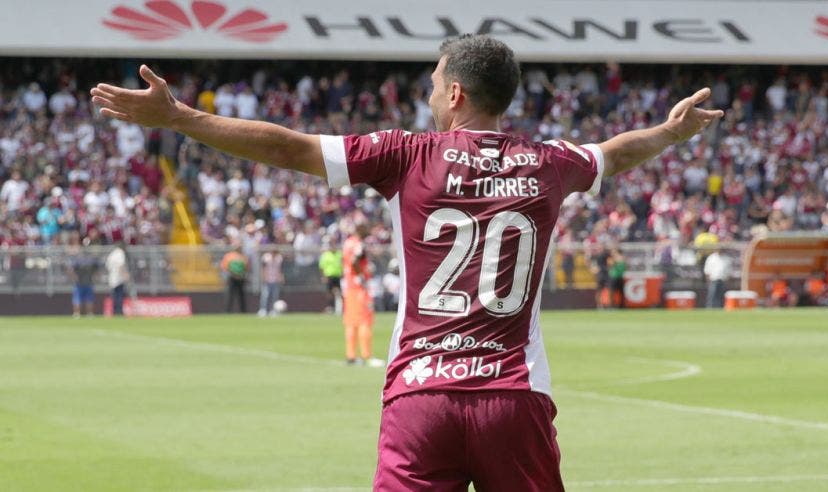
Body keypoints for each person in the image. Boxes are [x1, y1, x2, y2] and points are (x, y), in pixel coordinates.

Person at [90, 35, 721, 490]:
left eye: (430, 87)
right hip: (515, 395)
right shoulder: (553, 161)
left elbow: (289, 147)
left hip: (421, 397)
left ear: (454, 93)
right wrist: (670, 134)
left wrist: (178, 117)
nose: (426, 98)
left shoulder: (406, 154)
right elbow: (616, 152)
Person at [342, 221, 383, 367]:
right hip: (359, 287)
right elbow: (355, 260)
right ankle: (367, 356)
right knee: (365, 319)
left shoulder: (347, 243)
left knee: (351, 322)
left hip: (349, 286)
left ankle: (351, 355)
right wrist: (360, 274)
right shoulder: (358, 244)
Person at [69, 243, 100, 318]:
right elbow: (71, 269)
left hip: (87, 282)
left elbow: (96, 269)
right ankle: (79, 313)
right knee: (79, 298)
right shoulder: (80, 259)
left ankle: (85, 313)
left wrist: (95, 276)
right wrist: (74, 277)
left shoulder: (89, 258)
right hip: (80, 282)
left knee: (87, 299)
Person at [221, 243, 249, 313]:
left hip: (240, 278)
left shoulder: (243, 256)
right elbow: (225, 266)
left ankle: (243, 311)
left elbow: (246, 267)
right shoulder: (229, 256)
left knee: (241, 296)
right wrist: (233, 274)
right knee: (230, 295)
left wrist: (241, 275)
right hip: (232, 277)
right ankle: (227, 311)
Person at [318, 237, 343, 314]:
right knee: (329, 293)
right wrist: (323, 276)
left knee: (339, 292)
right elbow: (322, 267)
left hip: (338, 275)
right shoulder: (326, 255)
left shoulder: (339, 254)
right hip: (329, 275)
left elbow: (343, 264)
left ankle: (339, 308)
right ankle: (330, 307)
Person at [105, 241, 130, 316]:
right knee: (119, 295)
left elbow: (107, 266)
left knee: (115, 295)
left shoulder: (112, 254)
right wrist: (125, 274)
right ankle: (119, 311)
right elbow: (120, 265)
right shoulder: (120, 253)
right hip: (119, 278)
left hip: (112, 277)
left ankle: (115, 311)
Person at [258, 250, 284, 317]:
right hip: (267, 280)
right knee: (265, 296)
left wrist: (281, 277)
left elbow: (280, 269)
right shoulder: (266, 258)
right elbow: (263, 268)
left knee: (274, 296)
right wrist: (263, 277)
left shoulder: (279, 259)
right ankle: (263, 310)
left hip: (275, 280)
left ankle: (273, 310)